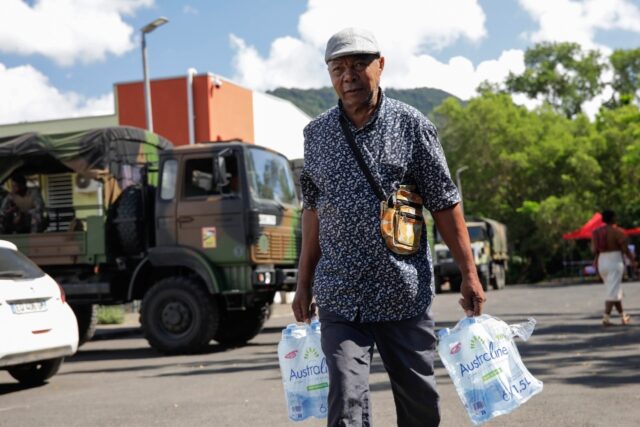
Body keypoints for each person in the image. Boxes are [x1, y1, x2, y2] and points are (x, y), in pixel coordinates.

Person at [292, 28, 486, 427]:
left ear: (380, 66)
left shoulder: (412, 125)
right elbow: (313, 210)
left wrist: (469, 273)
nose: (348, 76)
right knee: (345, 397)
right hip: (340, 291)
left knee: (418, 401)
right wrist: (303, 281)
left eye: (359, 65)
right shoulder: (316, 135)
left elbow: (445, 203)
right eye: (338, 68)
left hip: (403, 290)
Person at [592, 210, 636, 326]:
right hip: (614, 261)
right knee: (612, 291)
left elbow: (594, 250)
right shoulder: (617, 231)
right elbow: (625, 249)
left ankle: (623, 316)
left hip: (602, 261)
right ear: (612, 218)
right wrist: (632, 261)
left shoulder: (596, 232)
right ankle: (606, 318)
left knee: (613, 289)